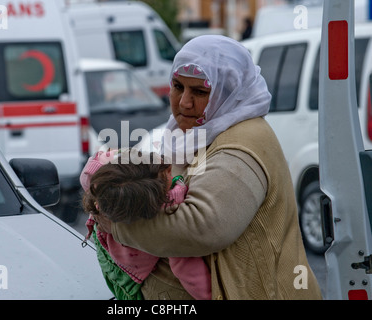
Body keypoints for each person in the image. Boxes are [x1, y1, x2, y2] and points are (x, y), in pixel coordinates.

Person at [93, 35, 323, 300]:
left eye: (200, 92)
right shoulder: (191, 135)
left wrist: (116, 224)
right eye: (178, 86)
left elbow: (201, 227)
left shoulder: (242, 144)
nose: (184, 102)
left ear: (229, 92)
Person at [80, 149, 211, 300]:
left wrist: (99, 162)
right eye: (165, 171)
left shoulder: (111, 199)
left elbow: (90, 181)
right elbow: (189, 270)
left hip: (115, 267)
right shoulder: (169, 221)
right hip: (133, 282)